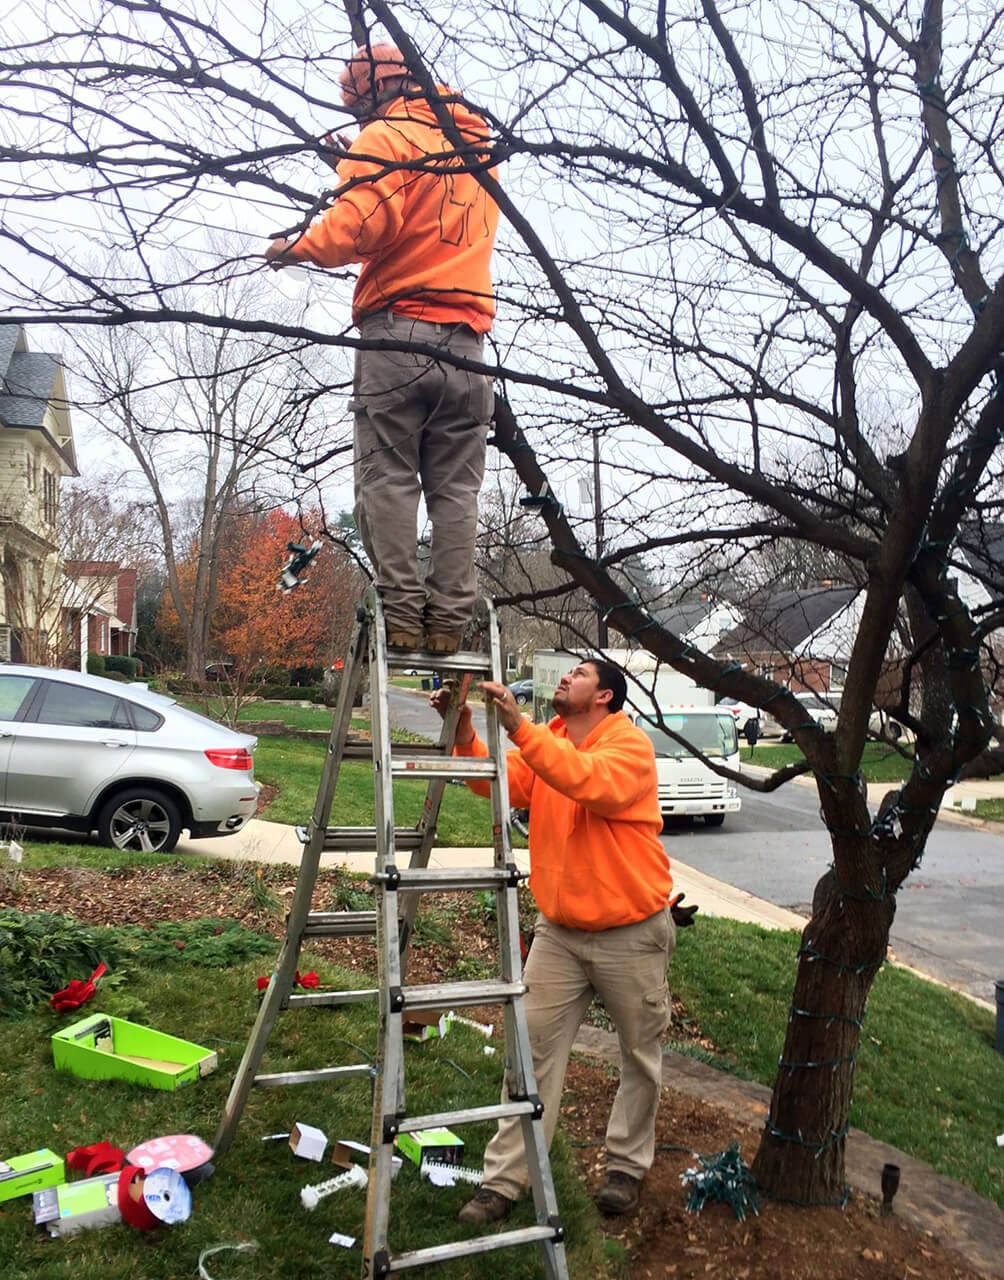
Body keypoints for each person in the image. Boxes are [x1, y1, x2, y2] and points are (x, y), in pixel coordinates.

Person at [266, 44, 500, 654]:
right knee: (457, 489)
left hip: (399, 336)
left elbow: (361, 228)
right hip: (469, 349)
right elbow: (423, 203)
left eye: (360, 104)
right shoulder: (474, 147)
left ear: (373, 94)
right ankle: (450, 621)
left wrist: (294, 246)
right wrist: (357, 164)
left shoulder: (386, 138)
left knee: (389, 478)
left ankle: (401, 615)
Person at [431, 658, 676, 1220]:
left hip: (632, 935)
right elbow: (496, 783)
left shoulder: (629, 747)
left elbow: (591, 784)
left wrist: (521, 728)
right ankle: (505, 1179)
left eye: (580, 674)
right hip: (559, 937)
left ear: (605, 696)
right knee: (531, 1051)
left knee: (639, 1057)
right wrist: (466, 732)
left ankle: (625, 1167)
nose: (565, 678)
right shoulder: (555, 742)